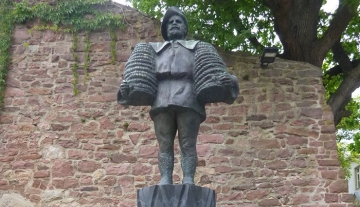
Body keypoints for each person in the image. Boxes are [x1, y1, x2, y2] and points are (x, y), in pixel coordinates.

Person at [117, 7, 239, 185]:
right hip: (161, 99)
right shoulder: (151, 50)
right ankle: (165, 178)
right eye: (170, 22)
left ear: (185, 28)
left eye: (178, 21)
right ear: (165, 29)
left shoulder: (198, 48)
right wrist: (128, 89)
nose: (174, 24)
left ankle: (188, 179)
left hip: (189, 98)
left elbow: (216, 75)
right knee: (164, 143)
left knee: (188, 143)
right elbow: (139, 77)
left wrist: (230, 82)